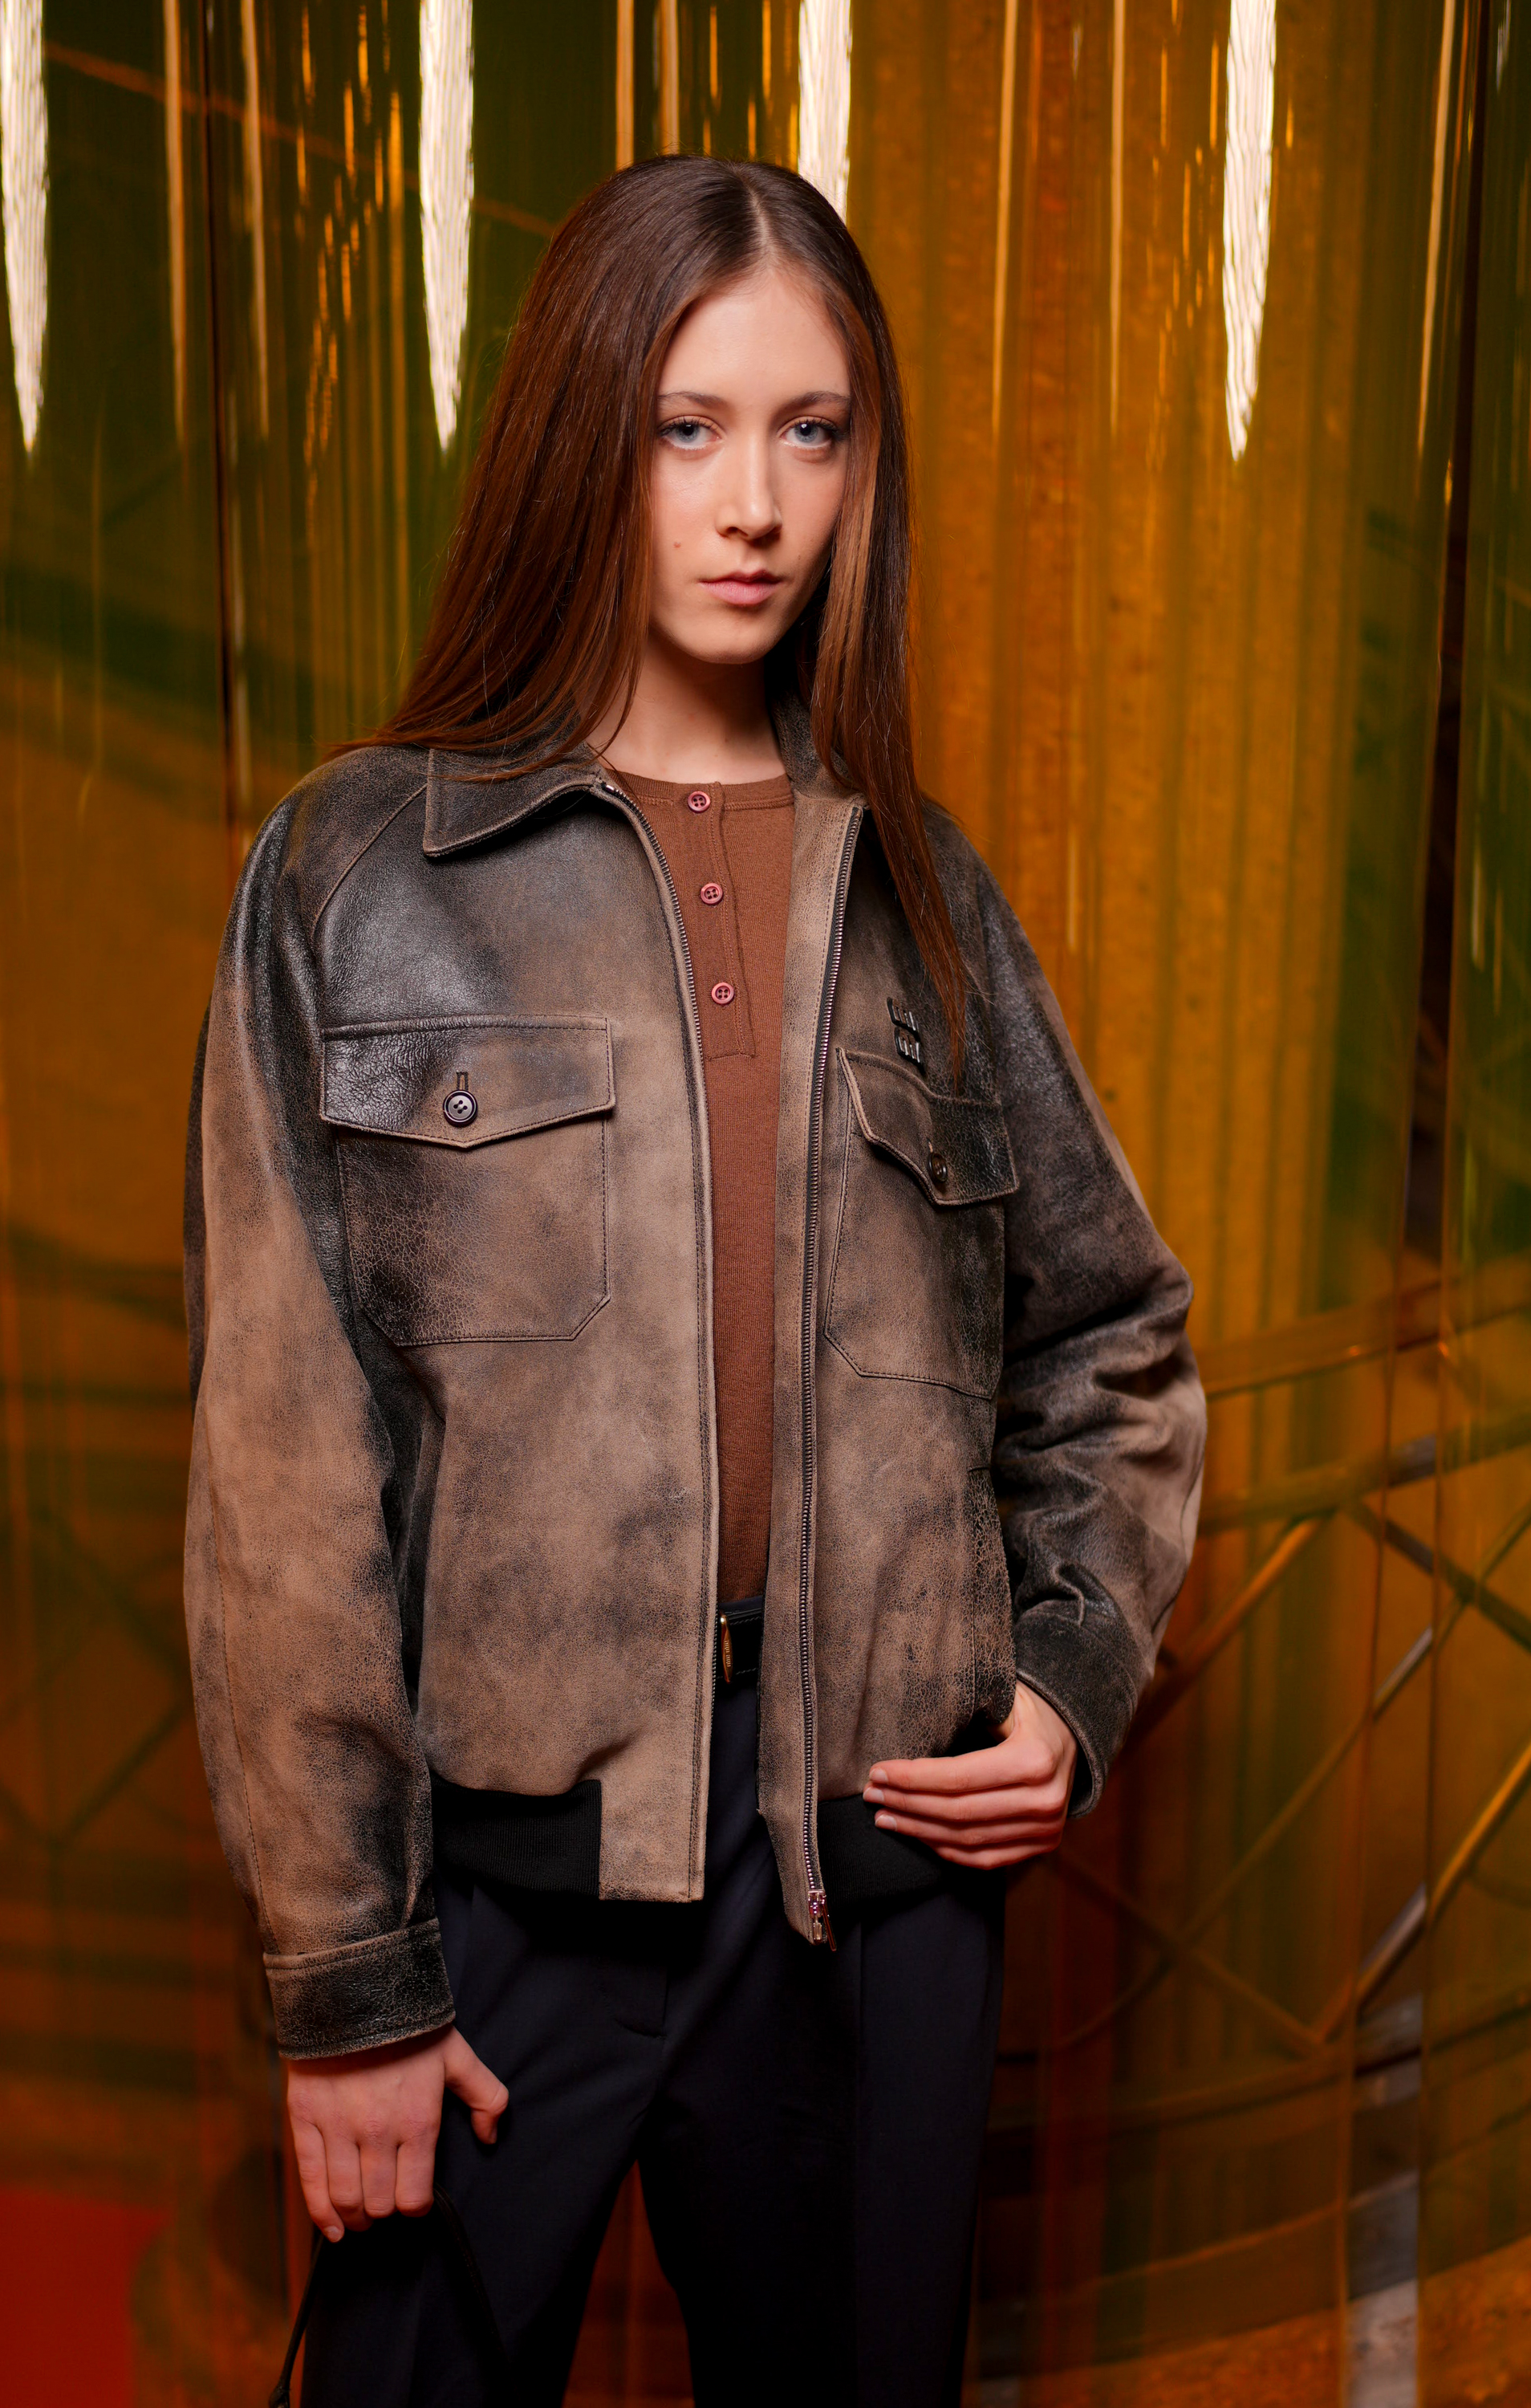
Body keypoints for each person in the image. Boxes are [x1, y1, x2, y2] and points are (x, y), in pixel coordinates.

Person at [182, 155, 1204, 2408]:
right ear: (586, 437)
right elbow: (284, 1475)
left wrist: (1064, 1679)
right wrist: (350, 1988)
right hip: (499, 1887)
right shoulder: (359, 872)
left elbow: (1113, 1338)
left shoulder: (927, 893)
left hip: (872, 1883)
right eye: (687, 426)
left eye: (812, 430)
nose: (756, 503)